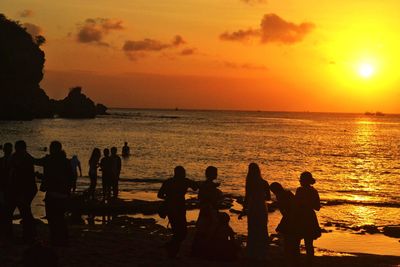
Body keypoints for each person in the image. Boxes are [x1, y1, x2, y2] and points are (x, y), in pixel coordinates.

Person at [35, 141, 73, 246]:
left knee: (52, 218)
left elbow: (35, 161)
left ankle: (55, 239)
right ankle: (64, 239)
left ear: (52, 149)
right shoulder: (66, 161)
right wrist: (69, 191)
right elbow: (71, 177)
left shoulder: (49, 160)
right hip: (63, 194)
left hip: (52, 194)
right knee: (60, 218)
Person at [157, 166, 198, 258]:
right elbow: (196, 187)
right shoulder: (185, 181)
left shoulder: (168, 182)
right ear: (181, 173)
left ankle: (171, 250)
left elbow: (159, 195)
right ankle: (171, 249)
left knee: (177, 232)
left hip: (170, 209)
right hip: (179, 208)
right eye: (184, 173)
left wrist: (168, 198)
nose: (184, 174)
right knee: (182, 232)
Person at [5, 140, 37, 243]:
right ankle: (14, 234)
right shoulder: (18, 157)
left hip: (24, 190)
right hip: (17, 189)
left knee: (24, 212)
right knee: (13, 211)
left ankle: (28, 235)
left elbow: (26, 178)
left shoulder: (25, 159)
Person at [239, 163, 271, 262]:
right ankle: (263, 254)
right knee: (262, 230)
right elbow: (269, 198)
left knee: (252, 230)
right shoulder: (264, 182)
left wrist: (243, 210)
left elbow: (247, 197)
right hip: (262, 207)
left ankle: (252, 253)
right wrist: (261, 197)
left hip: (253, 207)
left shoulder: (250, 182)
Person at [191, 166, 222, 258]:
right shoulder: (210, 186)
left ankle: (199, 250)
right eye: (215, 173)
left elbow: (200, 197)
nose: (216, 174)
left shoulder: (204, 185)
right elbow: (211, 198)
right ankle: (206, 250)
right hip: (209, 208)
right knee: (210, 228)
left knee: (203, 229)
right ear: (212, 174)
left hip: (205, 208)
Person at [295, 172, 321, 267]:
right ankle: (309, 263)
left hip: (301, 217)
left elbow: (296, 204)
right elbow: (317, 207)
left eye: (301, 179)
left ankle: (298, 262)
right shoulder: (314, 191)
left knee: (298, 241)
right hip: (309, 217)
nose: (300, 180)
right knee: (308, 243)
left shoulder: (299, 190)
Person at [270, 182, 299, 267]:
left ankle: (289, 257)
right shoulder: (286, 193)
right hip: (291, 217)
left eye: (273, 191)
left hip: (290, 218)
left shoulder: (281, 196)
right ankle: (292, 257)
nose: (273, 193)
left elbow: (287, 208)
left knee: (288, 238)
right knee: (292, 239)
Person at [0, 143, 12, 242]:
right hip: (4, 188)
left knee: (6, 210)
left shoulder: (13, 162)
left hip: (9, 189)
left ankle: (7, 232)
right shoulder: (2, 161)